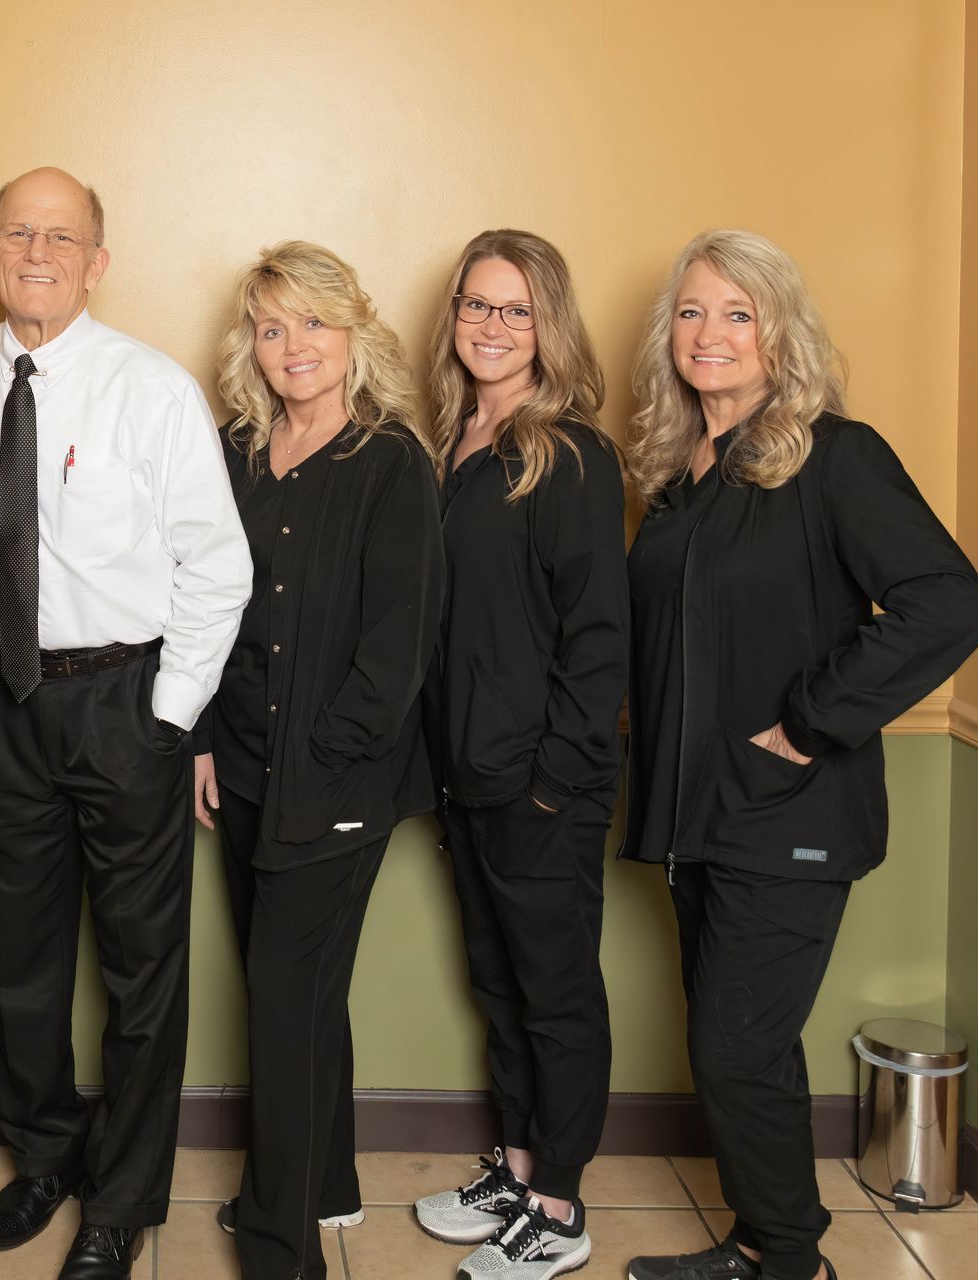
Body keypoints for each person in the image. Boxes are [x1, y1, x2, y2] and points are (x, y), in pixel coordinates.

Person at [0, 167, 252, 1280]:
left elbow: (219, 565)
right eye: (19, 234)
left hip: (123, 701)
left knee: (144, 967)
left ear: (98, 263)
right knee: (18, 955)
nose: (38, 254)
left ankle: (123, 1198)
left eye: (62, 238)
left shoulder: (151, 389)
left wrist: (167, 714)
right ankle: (45, 1154)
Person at [619, 230, 978, 1280]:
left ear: (780, 334)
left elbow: (948, 601)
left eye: (738, 313)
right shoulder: (682, 472)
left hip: (790, 809)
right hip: (697, 814)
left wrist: (809, 720)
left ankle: (789, 1260)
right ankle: (767, 1244)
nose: (711, 332)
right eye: (692, 311)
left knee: (733, 1049)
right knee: (744, 1047)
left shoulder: (835, 455)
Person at [193, 241, 444, 1280]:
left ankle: (279, 1247)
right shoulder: (236, 453)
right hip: (241, 769)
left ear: (353, 334)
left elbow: (397, 650)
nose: (293, 345)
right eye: (272, 326)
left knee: (284, 1002)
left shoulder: (391, 463)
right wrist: (203, 737)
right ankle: (326, 1183)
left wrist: (323, 762)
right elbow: (199, 602)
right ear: (250, 344)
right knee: (298, 995)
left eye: (314, 322)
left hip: (336, 782)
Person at [409, 229, 628, 1280]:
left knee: (556, 996)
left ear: (549, 326)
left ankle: (559, 1206)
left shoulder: (570, 454)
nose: (492, 326)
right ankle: (521, 1167)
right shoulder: (455, 443)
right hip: (468, 781)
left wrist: (551, 784)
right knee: (500, 988)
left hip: (542, 787)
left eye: (516, 309)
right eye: (476, 304)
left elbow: (598, 639)